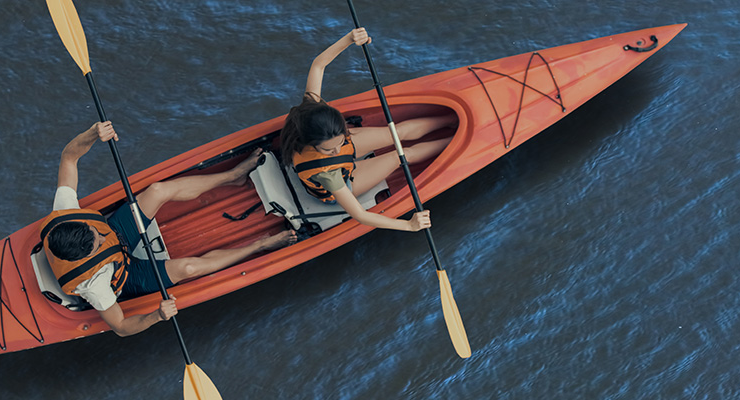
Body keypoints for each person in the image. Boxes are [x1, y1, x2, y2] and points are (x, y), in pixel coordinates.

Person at [42, 121, 296, 337]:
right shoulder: (95, 287)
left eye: (93, 230)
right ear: (87, 254)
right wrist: (157, 316)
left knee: (157, 191)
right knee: (188, 268)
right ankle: (261, 244)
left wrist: (93, 133)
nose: (99, 234)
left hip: (117, 237)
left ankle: (233, 176)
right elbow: (120, 326)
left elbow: (69, 156)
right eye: (96, 241)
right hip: (125, 276)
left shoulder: (63, 214)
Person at [279, 28, 455, 232]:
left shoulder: (312, 111)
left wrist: (349, 39)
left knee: (396, 134)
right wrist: (409, 225)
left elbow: (319, 65)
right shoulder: (327, 175)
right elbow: (360, 215)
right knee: (402, 155)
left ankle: (450, 118)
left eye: (340, 142)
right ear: (308, 142)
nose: (336, 151)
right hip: (343, 178)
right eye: (329, 150)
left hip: (340, 159)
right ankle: (454, 139)